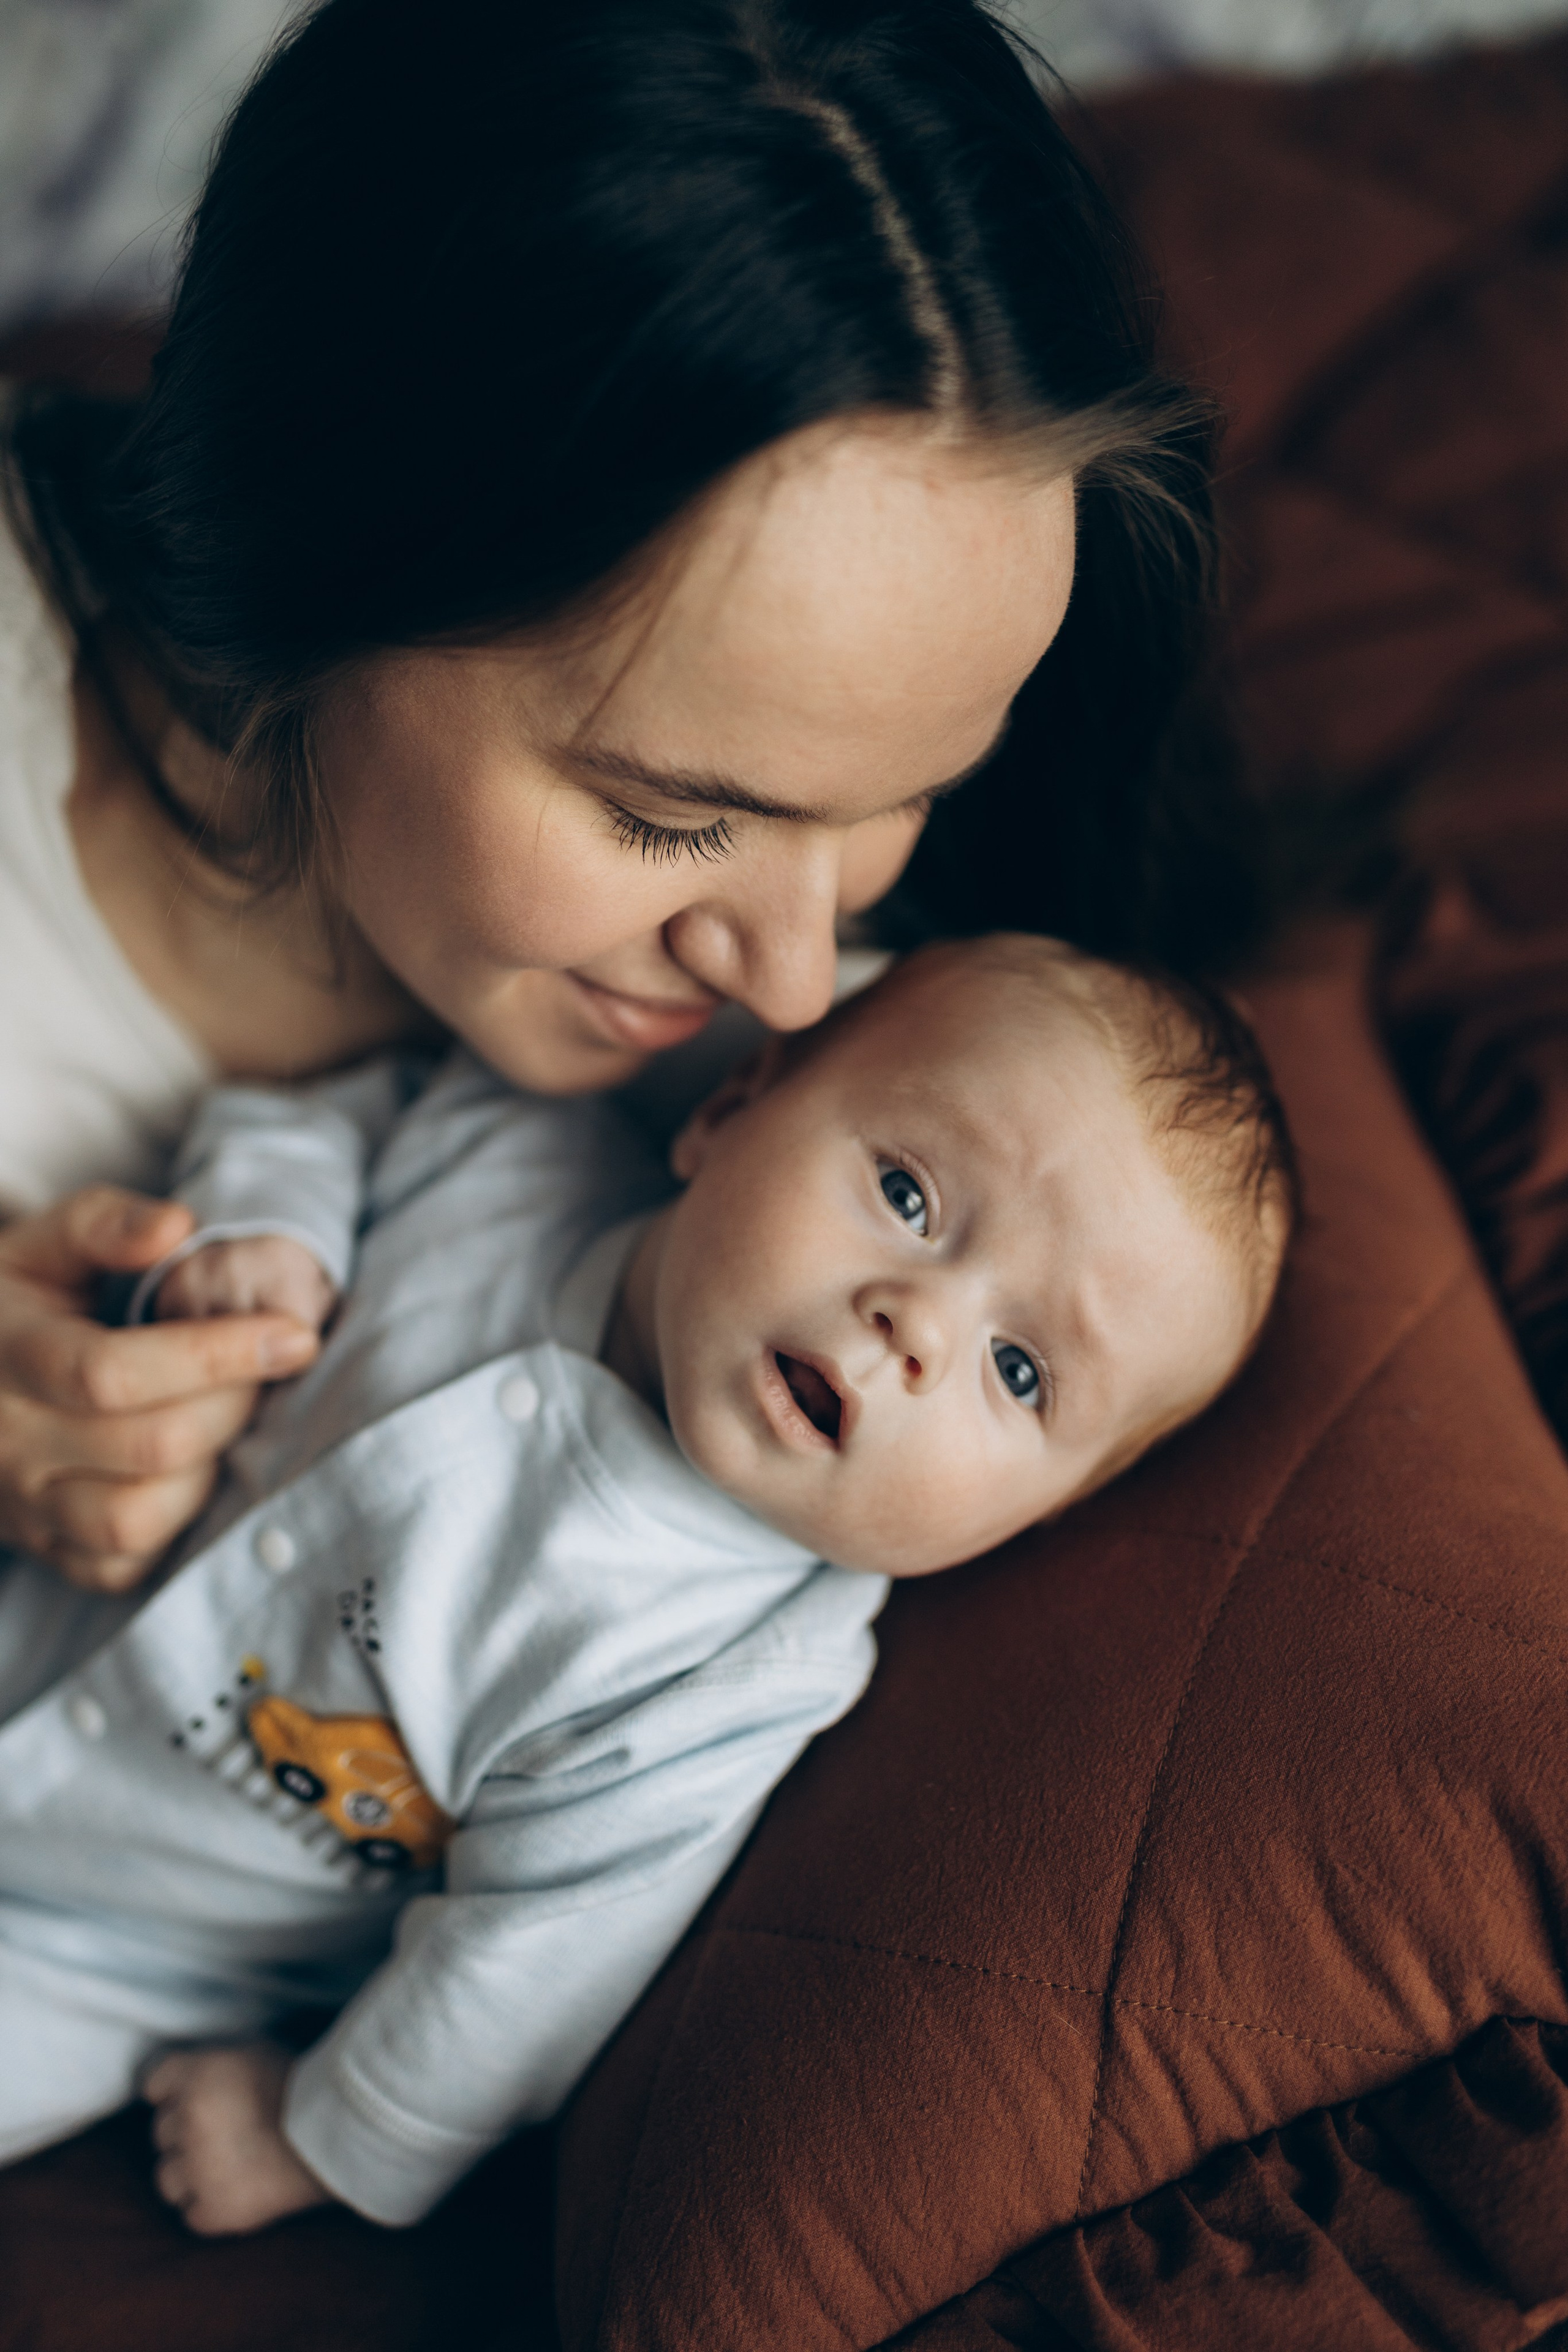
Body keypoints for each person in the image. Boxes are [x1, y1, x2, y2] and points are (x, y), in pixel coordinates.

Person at [0, 0, 1256, 1597]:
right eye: (669, 818)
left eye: (911, 791)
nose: (794, 981)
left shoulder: (918, 1083)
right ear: (308, 549)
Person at [0, 933, 1295, 2234]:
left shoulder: (727, 1673)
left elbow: (529, 1961)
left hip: (110, 1952)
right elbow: (314, 1116)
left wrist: (317, 2134)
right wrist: (262, 1226)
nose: (919, 1322)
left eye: (1019, 1373)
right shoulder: (510, 1151)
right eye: (907, 1193)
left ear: (1024, 1520)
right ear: (731, 1109)